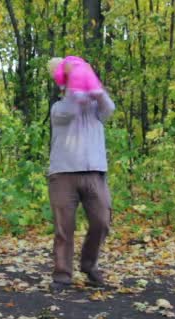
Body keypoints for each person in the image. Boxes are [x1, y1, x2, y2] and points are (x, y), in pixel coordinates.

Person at [46, 56, 116, 292]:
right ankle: (62, 275)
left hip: (94, 171)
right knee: (64, 228)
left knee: (102, 220)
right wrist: (75, 88)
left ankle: (89, 264)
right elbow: (72, 110)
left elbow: (109, 109)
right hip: (63, 173)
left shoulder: (96, 107)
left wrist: (96, 90)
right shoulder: (59, 107)